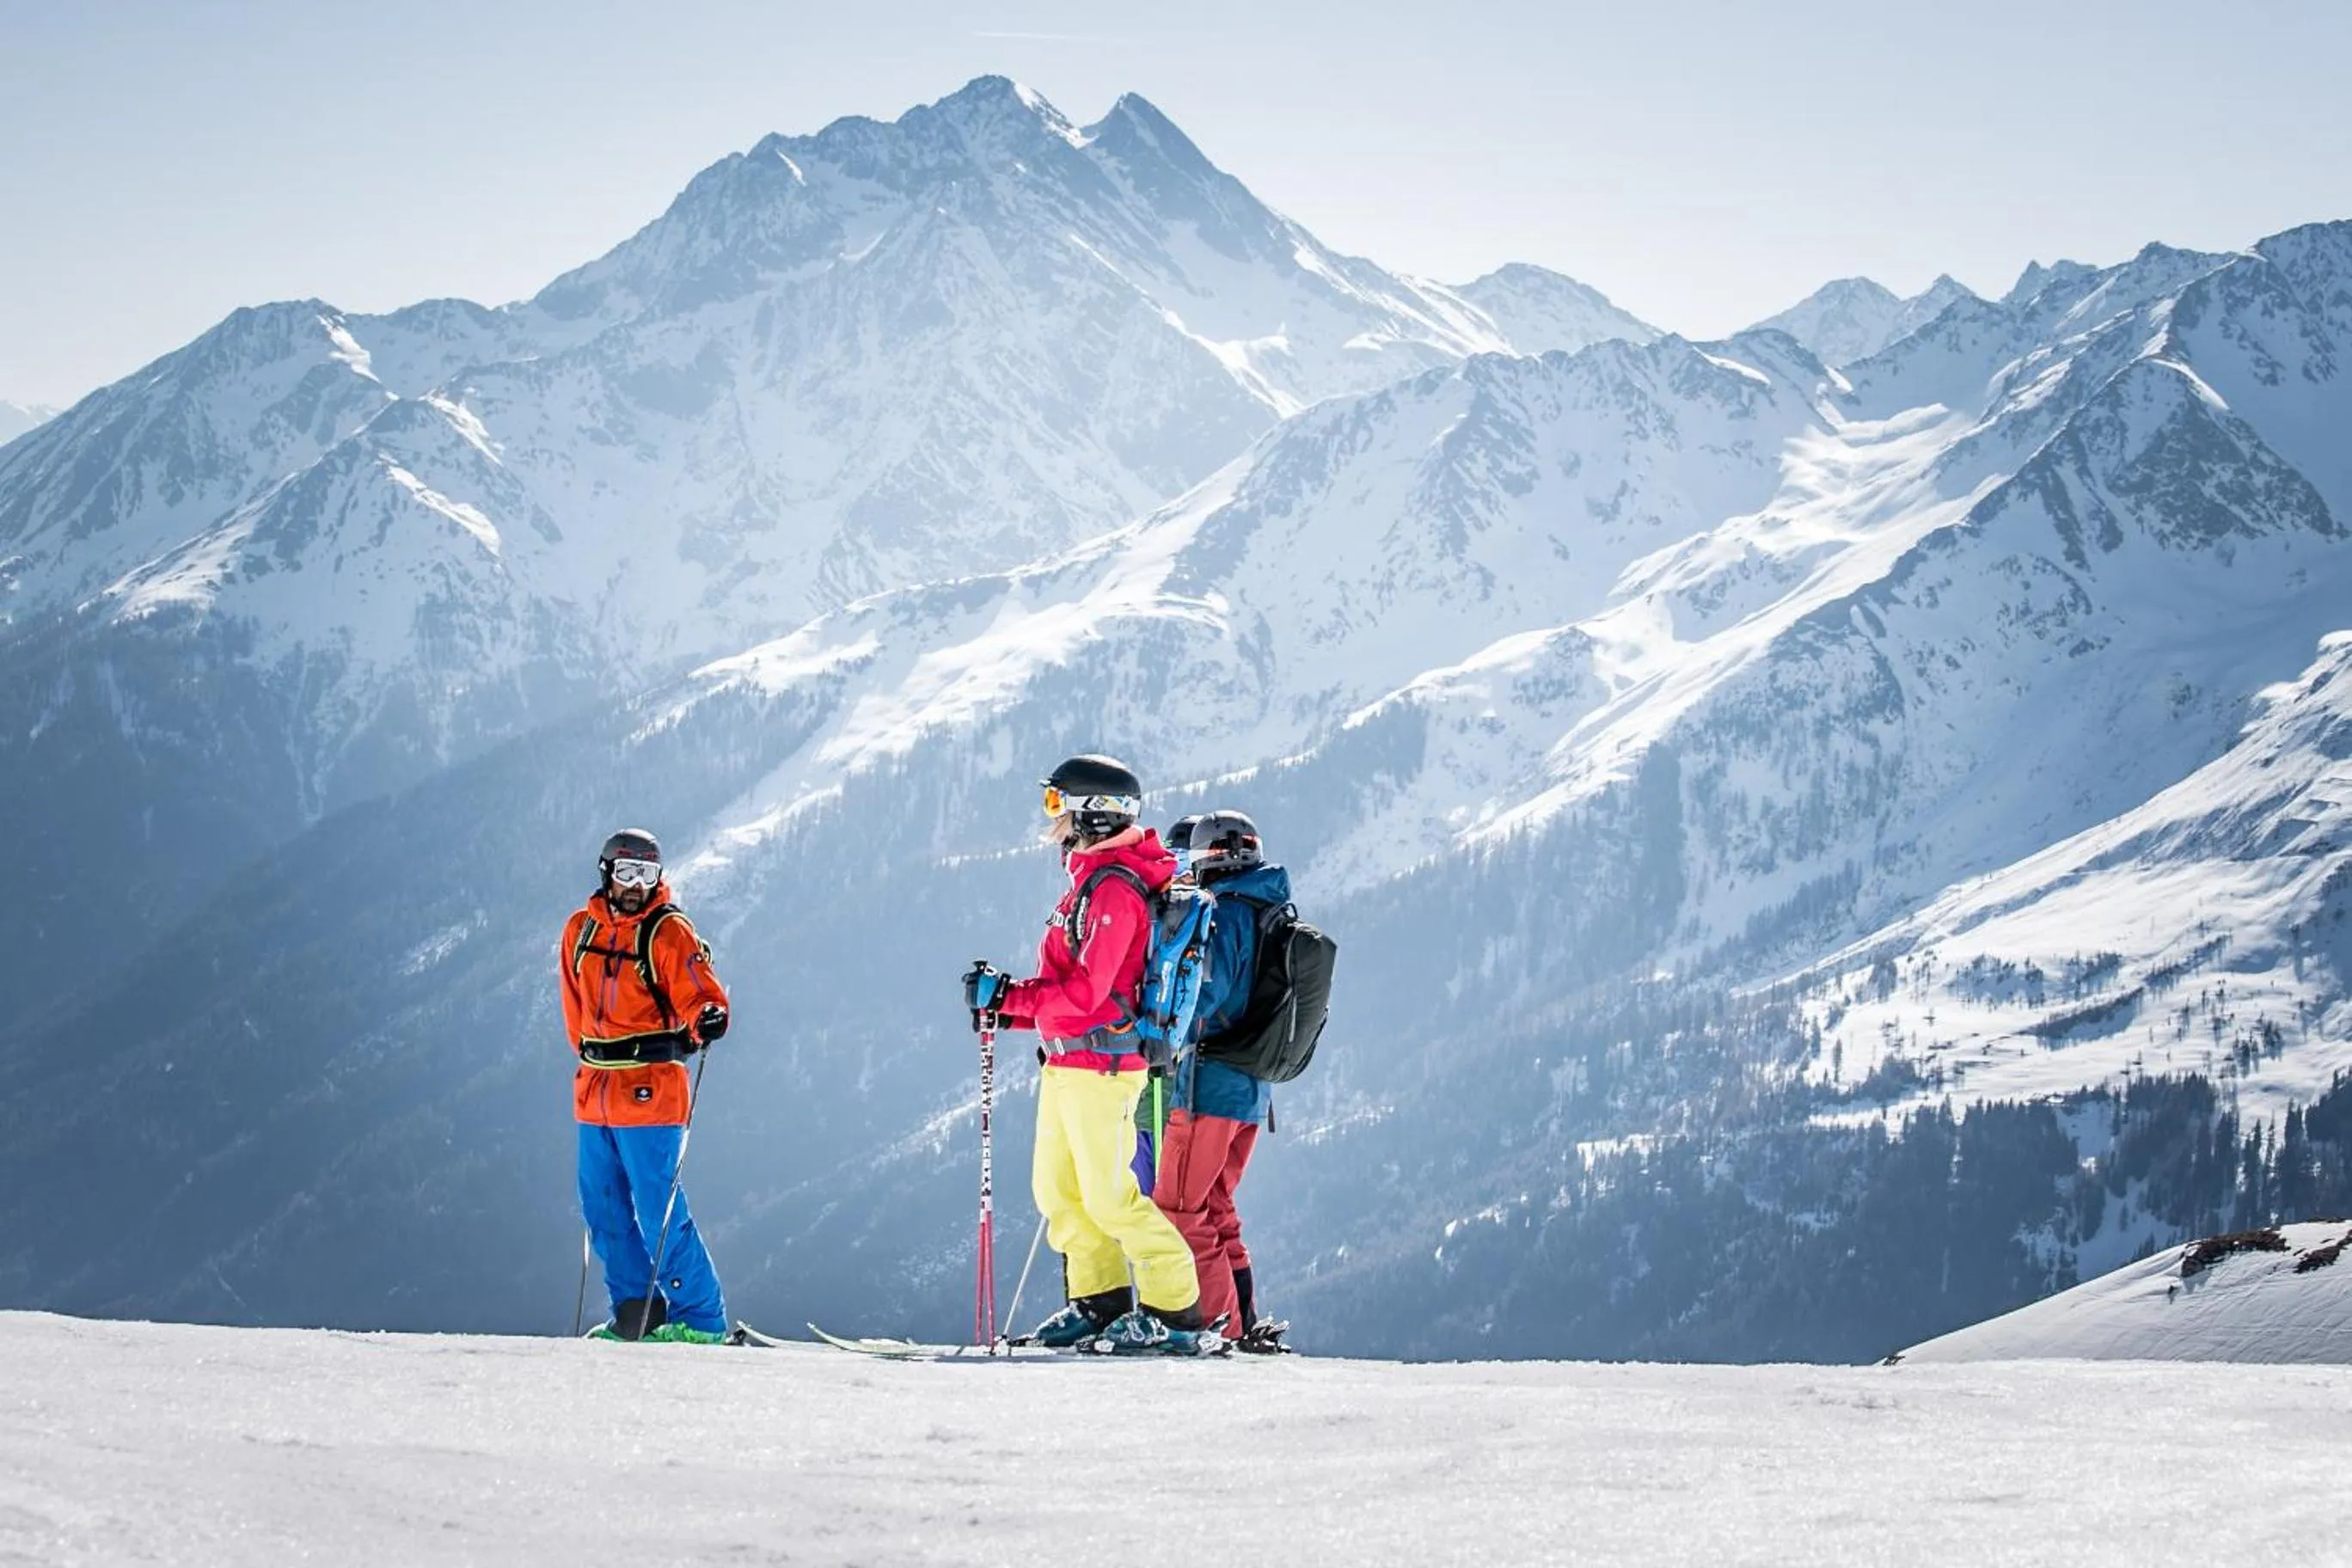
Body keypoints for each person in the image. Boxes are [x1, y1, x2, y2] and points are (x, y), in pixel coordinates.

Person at [964, 756, 1208, 1351]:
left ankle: (1175, 1312)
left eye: (1058, 805)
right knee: (1059, 1194)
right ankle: (1099, 1302)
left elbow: (1088, 994)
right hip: (1069, 1061)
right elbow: (1072, 994)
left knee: (1109, 1196)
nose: (1053, 819)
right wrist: (1006, 1006)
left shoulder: (1115, 891)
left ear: (1093, 813)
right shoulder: (1090, 881)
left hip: (1103, 1066)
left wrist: (1014, 997)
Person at [558, 828, 734, 1343]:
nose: (637, 885)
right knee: (602, 1203)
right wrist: (592, 1056)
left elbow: (699, 989)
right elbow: (574, 1009)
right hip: (595, 1088)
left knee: (659, 1208)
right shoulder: (580, 930)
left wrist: (707, 1015)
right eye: (628, 873)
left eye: (648, 875)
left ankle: (702, 1320)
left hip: (650, 1090)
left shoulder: (667, 931)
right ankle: (637, 1310)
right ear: (607, 873)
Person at [1155, 810, 1290, 1353]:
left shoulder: (1226, 914)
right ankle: (1243, 1317)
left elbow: (1207, 998)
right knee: (1214, 1207)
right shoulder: (1270, 907)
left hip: (1208, 1084)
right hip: (1252, 1088)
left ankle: (1218, 1331)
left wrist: (1155, 1018)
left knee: (1179, 1210)